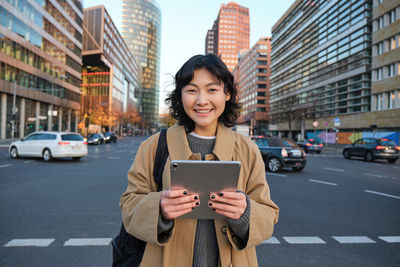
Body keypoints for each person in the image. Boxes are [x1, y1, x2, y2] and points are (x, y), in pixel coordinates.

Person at [120, 54, 279, 267]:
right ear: (180, 96)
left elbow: (269, 214)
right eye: (192, 90)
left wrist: (245, 212)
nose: (202, 100)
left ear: (227, 94)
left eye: (212, 90)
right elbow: (129, 205)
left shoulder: (247, 149)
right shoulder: (153, 146)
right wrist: (159, 209)